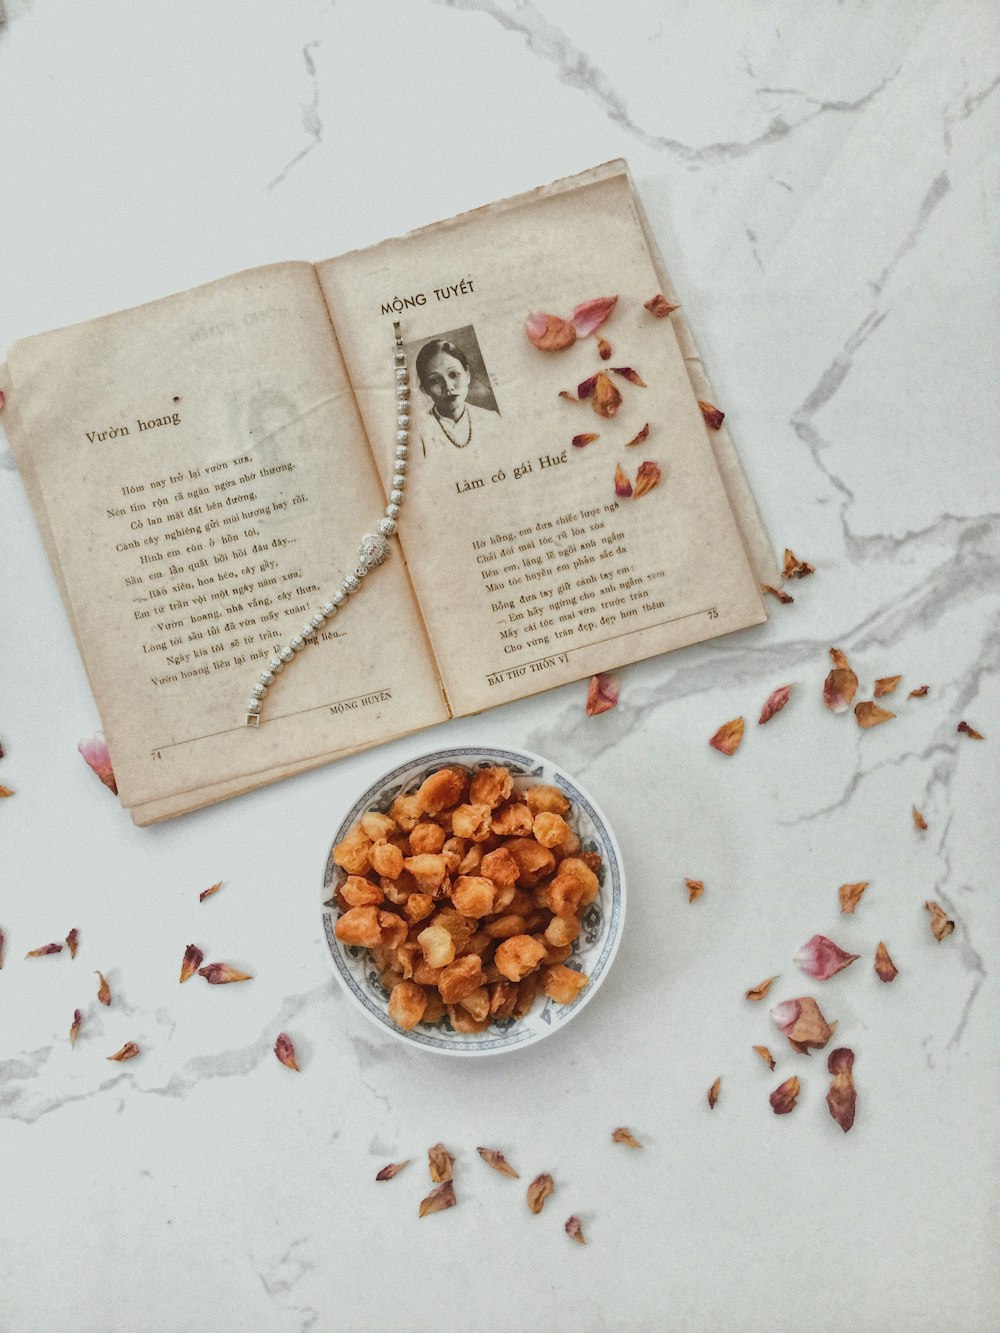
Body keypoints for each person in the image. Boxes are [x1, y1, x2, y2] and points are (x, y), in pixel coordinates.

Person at [414, 339, 498, 455]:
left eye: (454, 374)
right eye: (434, 381)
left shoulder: (491, 419)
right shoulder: (419, 433)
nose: (448, 387)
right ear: (425, 389)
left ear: (467, 375)